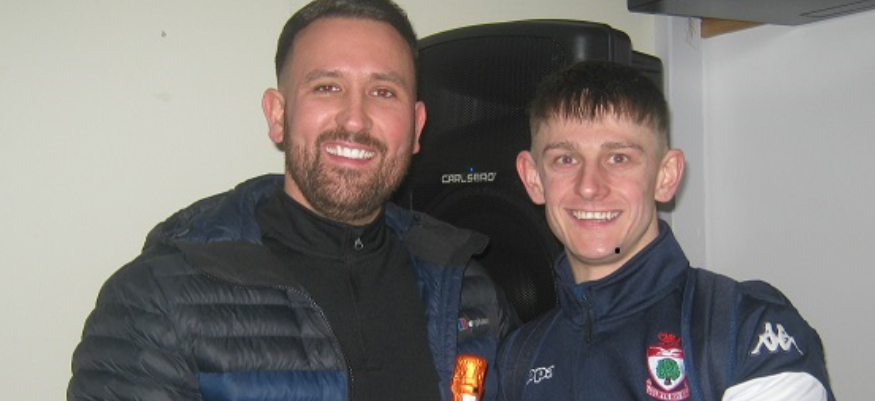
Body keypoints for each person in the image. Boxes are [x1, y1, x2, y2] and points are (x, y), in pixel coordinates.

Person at [67, 1, 517, 400]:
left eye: (383, 92)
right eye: (327, 87)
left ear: (416, 126)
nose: (355, 120)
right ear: (278, 115)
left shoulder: (469, 292)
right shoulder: (156, 302)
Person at [496, 60, 834, 401]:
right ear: (533, 179)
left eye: (618, 158)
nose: (589, 186)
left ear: (666, 176)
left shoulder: (747, 331)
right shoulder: (518, 358)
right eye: (565, 160)